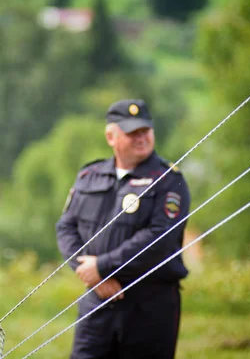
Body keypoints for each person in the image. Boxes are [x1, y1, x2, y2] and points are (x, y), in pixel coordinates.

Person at [56, 99, 190, 359]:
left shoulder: (168, 180)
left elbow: (158, 238)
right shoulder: (89, 176)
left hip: (149, 305)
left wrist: (103, 266)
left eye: (145, 130)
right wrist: (91, 274)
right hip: (98, 299)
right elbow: (66, 227)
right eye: (132, 132)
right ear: (110, 136)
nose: (141, 138)